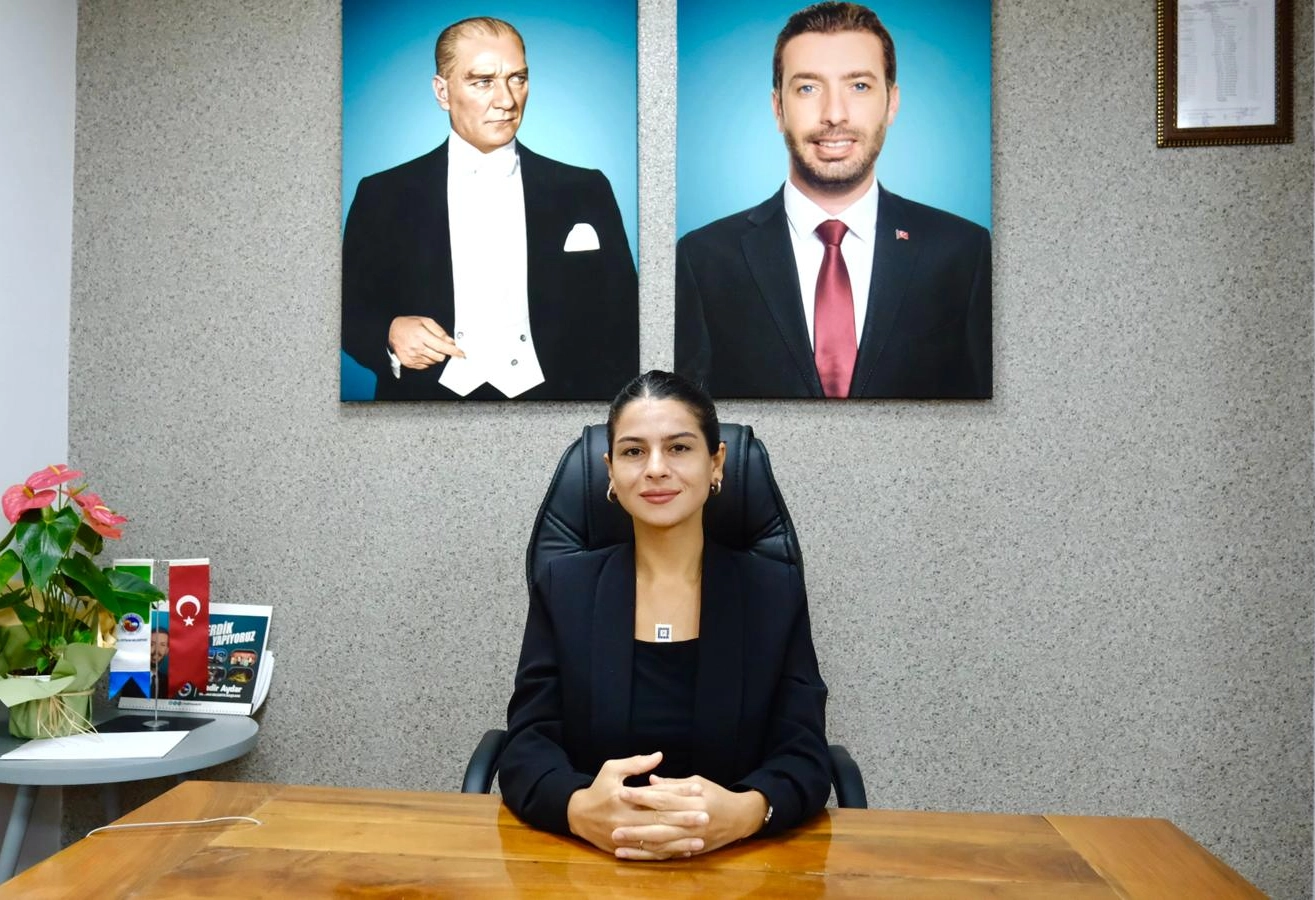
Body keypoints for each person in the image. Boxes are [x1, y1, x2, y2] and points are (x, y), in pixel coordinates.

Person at [498, 371, 831, 860]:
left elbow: (804, 751)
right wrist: (579, 809)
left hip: (740, 865)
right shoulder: (564, 587)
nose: (655, 469)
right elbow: (527, 745)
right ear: (610, 471)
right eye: (634, 451)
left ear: (716, 463)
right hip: (590, 864)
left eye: (678, 448)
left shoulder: (772, 591)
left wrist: (745, 813)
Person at [675, 1, 991, 399]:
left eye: (859, 86)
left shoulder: (964, 252)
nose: (835, 114)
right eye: (808, 88)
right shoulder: (702, 258)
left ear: (892, 103)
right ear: (778, 109)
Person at [342, 16, 638, 401]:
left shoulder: (586, 189)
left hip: (561, 404)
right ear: (442, 92)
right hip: (424, 407)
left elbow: (626, 319)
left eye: (517, 78)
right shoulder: (382, 194)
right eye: (483, 81)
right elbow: (344, 311)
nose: (506, 100)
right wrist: (389, 333)